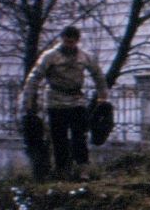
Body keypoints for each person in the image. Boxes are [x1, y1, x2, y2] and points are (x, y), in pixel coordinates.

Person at [20, 25, 108, 181]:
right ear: (62, 39)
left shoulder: (84, 57)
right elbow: (34, 78)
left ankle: (83, 170)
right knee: (58, 138)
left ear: (77, 41)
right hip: (56, 101)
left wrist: (102, 97)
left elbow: (98, 75)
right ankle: (62, 171)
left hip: (77, 100)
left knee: (79, 136)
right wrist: (27, 101)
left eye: (72, 42)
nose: (69, 45)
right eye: (67, 41)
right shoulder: (50, 56)